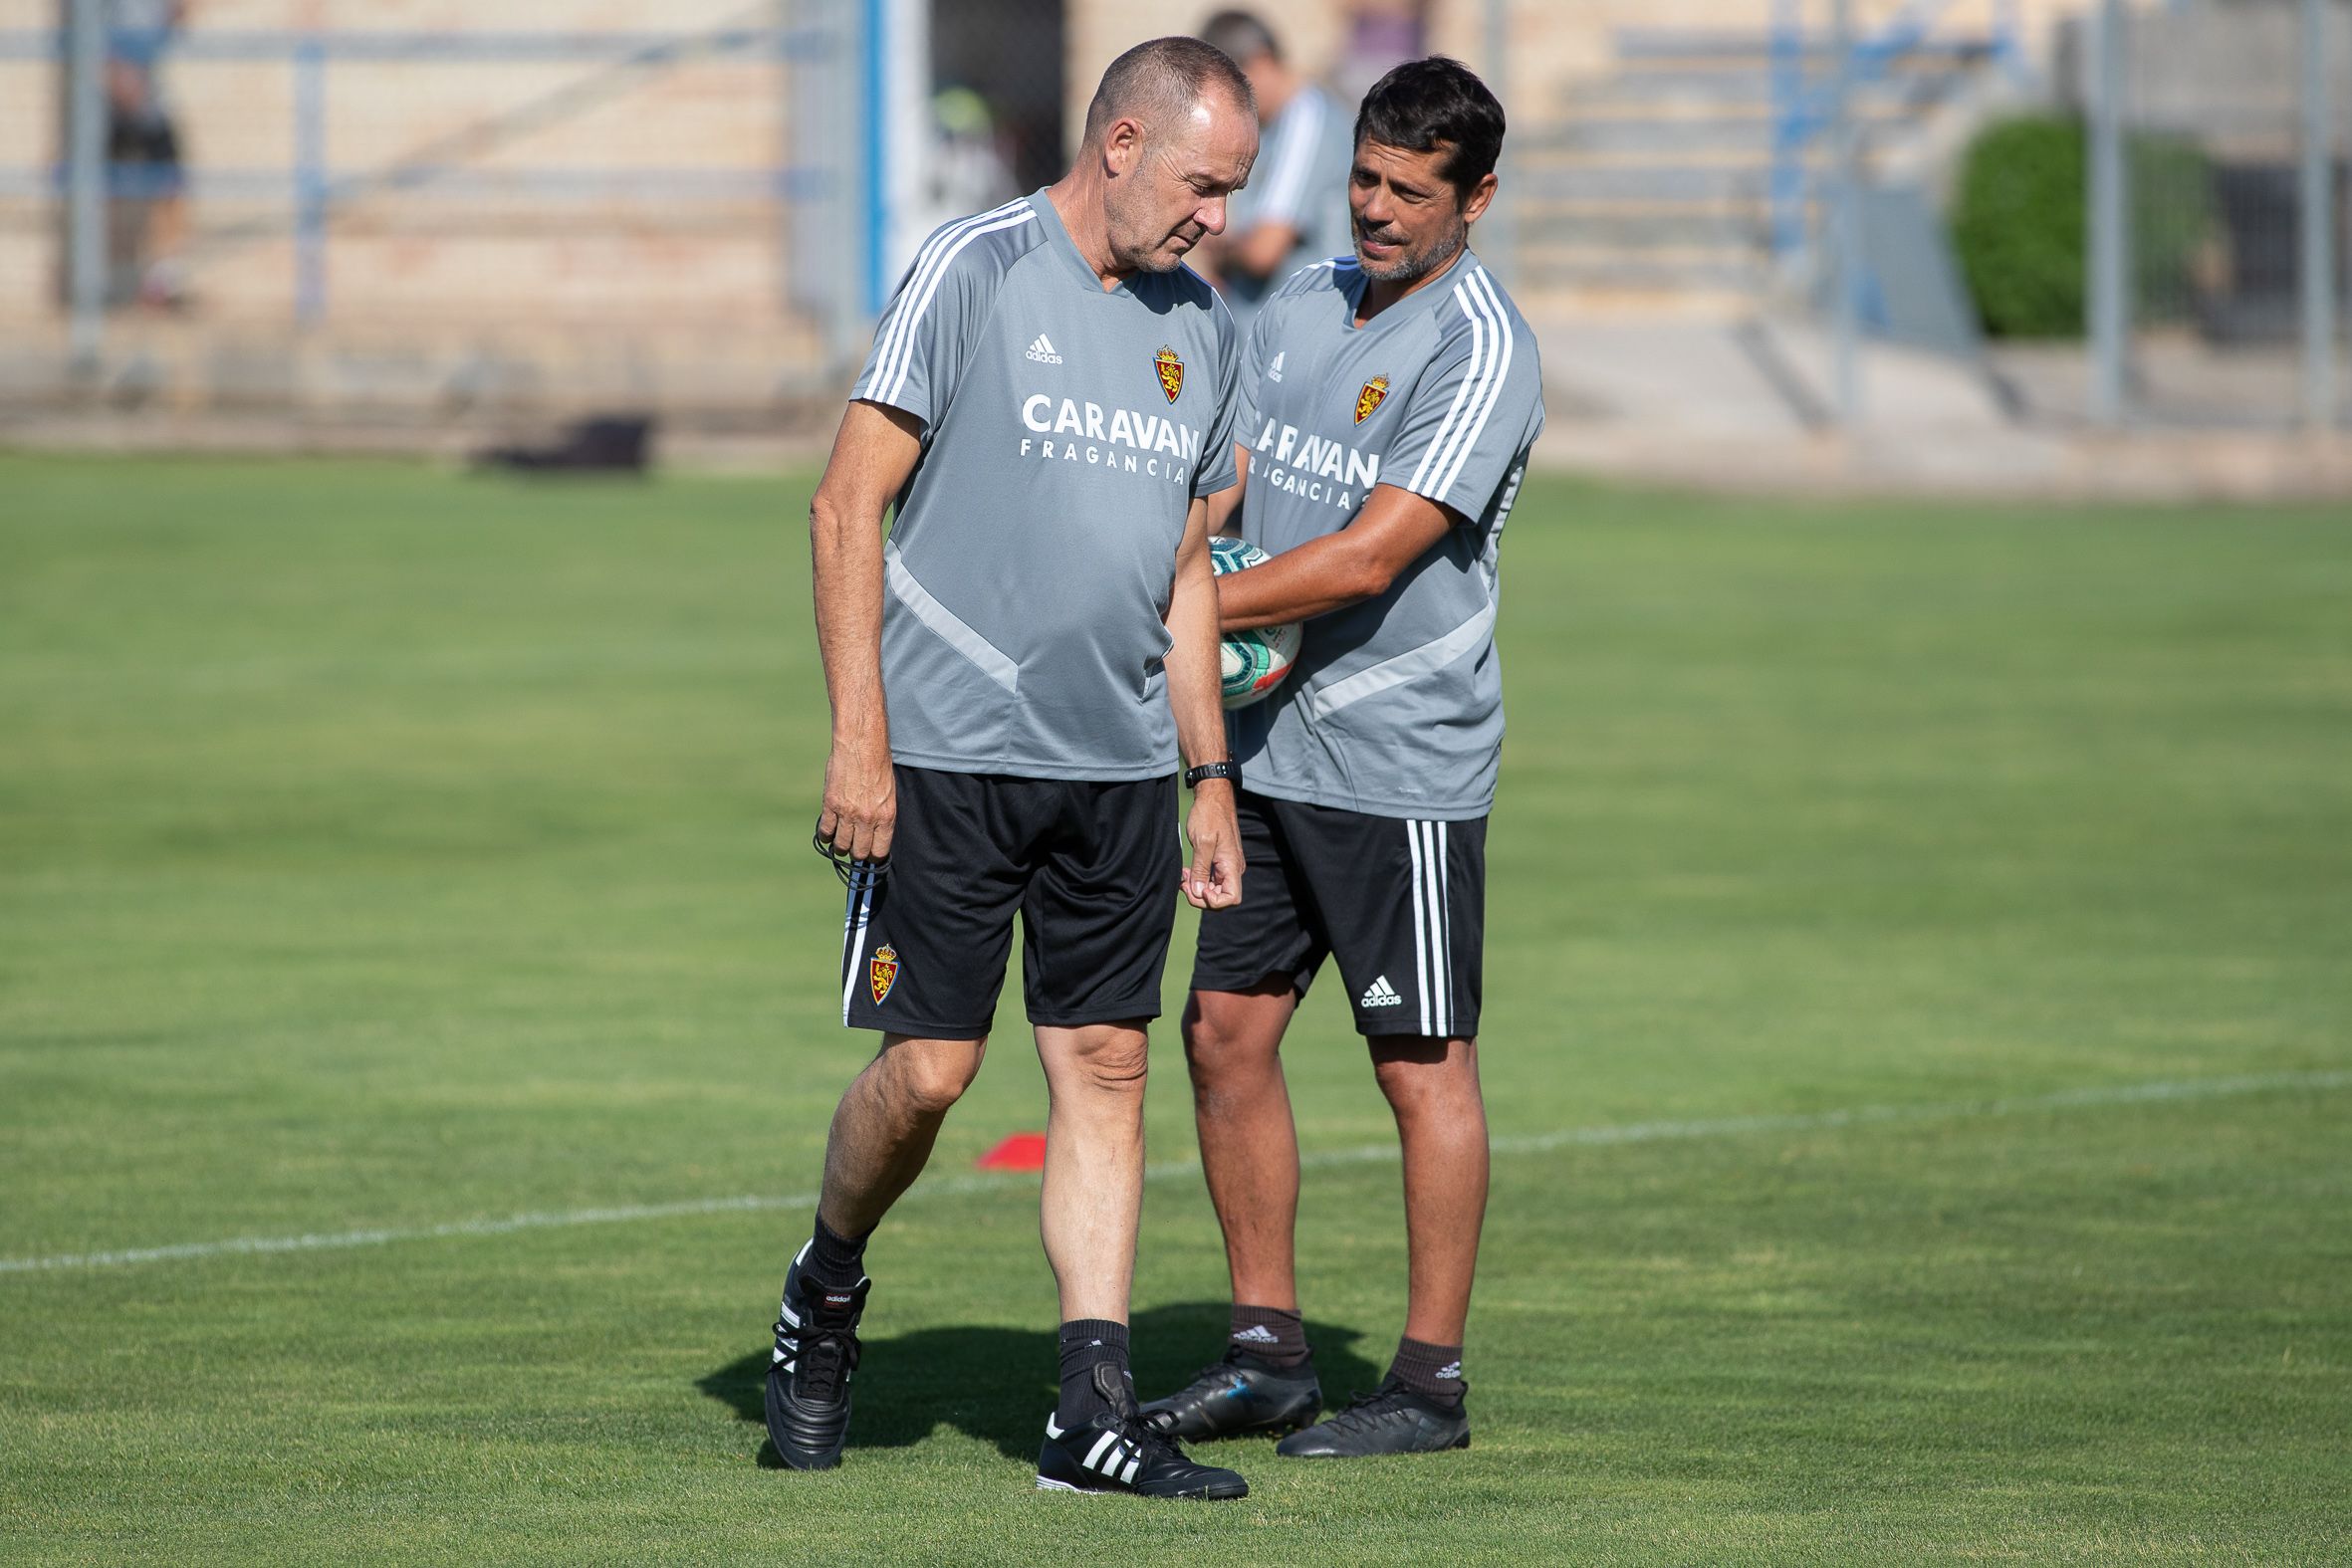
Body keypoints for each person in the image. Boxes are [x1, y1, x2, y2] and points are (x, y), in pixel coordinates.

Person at [766, 36, 1260, 1501]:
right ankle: (826, 1284)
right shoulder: (971, 268)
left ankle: (1089, 1409)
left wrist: (1209, 773)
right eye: (1198, 184)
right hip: (945, 761)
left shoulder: (1203, 328)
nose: (1214, 219)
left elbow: (1184, 572)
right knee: (925, 1071)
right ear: (1118, 143)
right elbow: (844, 501)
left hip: (1113, 773)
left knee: (1105, 1063)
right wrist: (861, 737)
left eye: (1230, 191)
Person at [1139, 57, 1543, 1459]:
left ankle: (1426, 1382)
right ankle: (1267, 1353)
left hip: (1397, 761)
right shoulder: (1302, 299)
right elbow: (1228, 476)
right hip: (1261, 749)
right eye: (1362, 176)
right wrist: (1169, 547)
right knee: (1222, 1032)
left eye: (1405, 191)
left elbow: (1372, 554)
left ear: (1474, 198)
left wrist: (1178, 606)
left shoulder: (1481, 347)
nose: (1369, 208)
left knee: (1419, 1063)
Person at [1193, 11, 1355, 338]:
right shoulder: (1273, 127)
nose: (1227, 104)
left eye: (1230, 87)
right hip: (1266, 331)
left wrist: (1223, 250)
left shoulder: (1306, 120)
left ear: (1261, 61)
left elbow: (1264, 251)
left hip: (1307, 337)